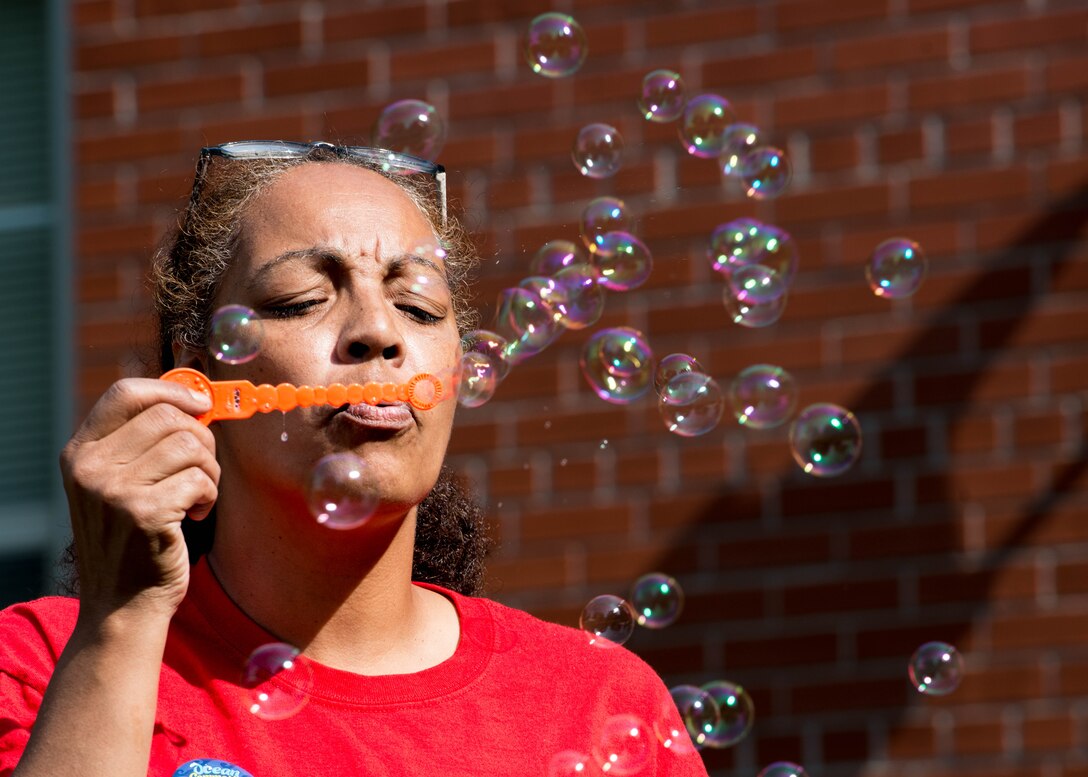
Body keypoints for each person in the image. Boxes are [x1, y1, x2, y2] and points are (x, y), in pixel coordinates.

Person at [0, 142, 709, 777]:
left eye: (419, 307)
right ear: (200, 379)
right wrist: (121, 621)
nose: (378, 331)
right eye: (303, 298)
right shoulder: (42, 663)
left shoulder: (603, 703)